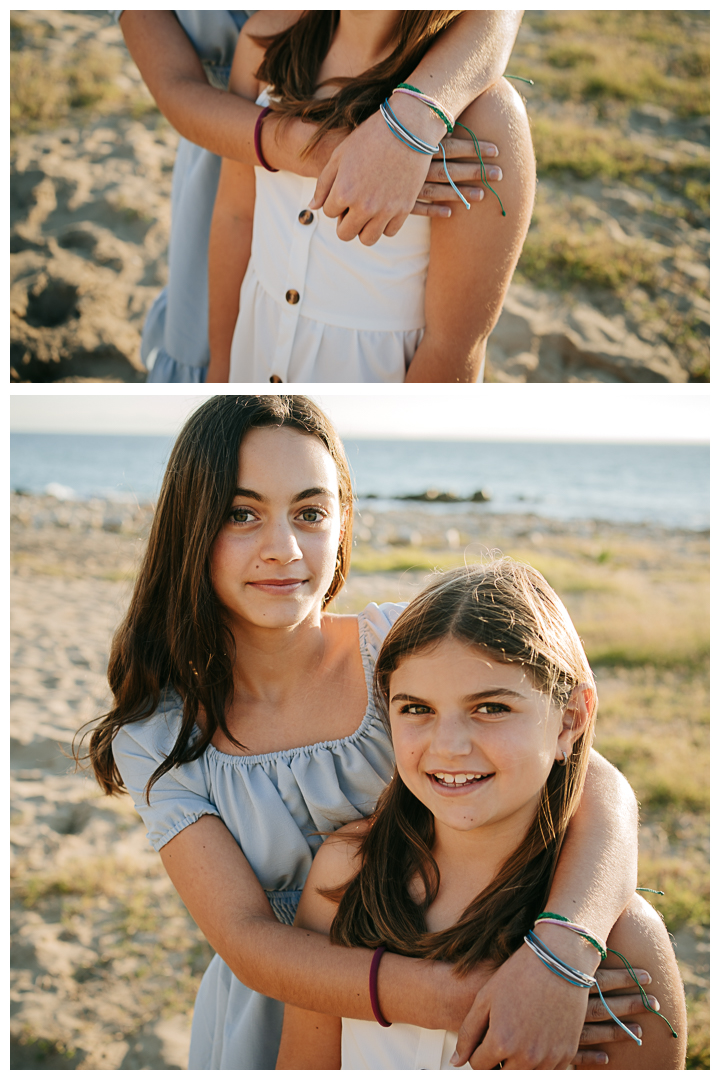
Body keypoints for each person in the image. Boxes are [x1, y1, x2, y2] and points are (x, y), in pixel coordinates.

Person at [83, 396, 649, 1070]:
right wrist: (459, 998)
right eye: (242, 514)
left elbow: (595, 781)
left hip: (489, 961)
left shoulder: (398, 648)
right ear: (190, 526)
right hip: (287, 1007)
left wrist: (559, 959)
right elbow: (247, 937)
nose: (283, 549)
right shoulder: (159, 733)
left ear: (343, 522)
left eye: (310, 513)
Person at [275, 561, 687, 1069]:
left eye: (490, 708)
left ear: (570, 721)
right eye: (416, 708)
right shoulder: (345, 874)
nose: (448, 747)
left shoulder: (621, 942)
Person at [117, 11, 522, 381]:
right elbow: (236, 217)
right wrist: (221, 370)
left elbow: (453, 346)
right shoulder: (265, 40)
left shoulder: (484, 117)